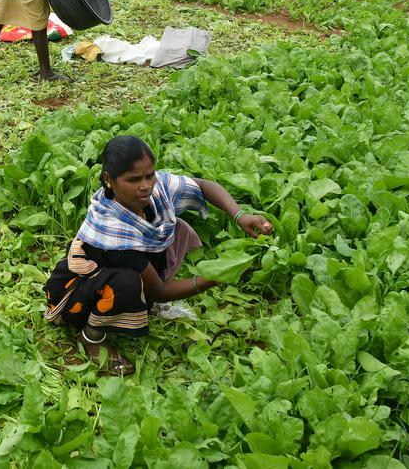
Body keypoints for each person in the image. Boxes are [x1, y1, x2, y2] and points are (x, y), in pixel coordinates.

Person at [43, 136, 273, 375]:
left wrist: (239, 215)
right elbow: (160, 291)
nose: (145, 185)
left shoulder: (154, 191)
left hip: (106, 279)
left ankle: (139, 306)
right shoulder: (113, 229)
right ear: (109, 180)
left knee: (172, 228)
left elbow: (203, 186)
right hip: (75, 298)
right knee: (128, 283)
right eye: (134, 179)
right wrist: (218, 277)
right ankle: (92, 338)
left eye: (149, 175)